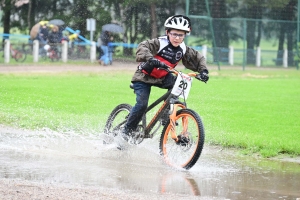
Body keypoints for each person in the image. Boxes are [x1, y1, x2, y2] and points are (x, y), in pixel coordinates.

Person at [121, 15, 209, 141]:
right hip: (144, 77)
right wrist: (151, 59)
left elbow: (197, 57)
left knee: (177, 87)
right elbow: (143, 46)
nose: (177, 38)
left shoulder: (183, 49)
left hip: (163, 77)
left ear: (185, 35)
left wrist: (203, 71)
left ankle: (166, 115)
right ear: (167, 32)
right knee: (142, 105)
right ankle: (126, 131)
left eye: (181, 35)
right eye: (174, 34)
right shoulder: (159, 43)